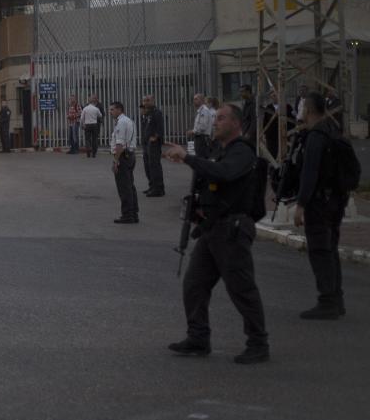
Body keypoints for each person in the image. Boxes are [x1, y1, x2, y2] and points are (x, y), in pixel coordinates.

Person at [163, 103, 270, 364]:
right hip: (213, 228)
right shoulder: (218, 152)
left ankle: (258, 343)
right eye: (216, 119)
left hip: (232, 229)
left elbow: (224, 174)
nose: (215, 122)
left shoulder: (242, 152)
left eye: (221, 118)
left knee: (241, 288)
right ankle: (198, 338)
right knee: (194, 284)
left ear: (236, 123)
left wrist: (188, 158)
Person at [294, 92, 348, 320]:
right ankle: (336, 299)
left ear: (308, 110)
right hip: (336, 200)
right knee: (330, 249)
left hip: (319, 203)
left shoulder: (316, 136)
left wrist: (300, 205)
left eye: (302, 108)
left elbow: (310, 173)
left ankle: (327, 301)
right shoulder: (332, 130)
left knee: (319, 250)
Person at [109, 102, 138, 224]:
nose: (110, 112)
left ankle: (127, 215)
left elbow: (120, 145)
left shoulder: (121, 122)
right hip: (130, 155)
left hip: (123, 157)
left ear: (119, 109)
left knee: (124, 187)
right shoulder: (129, 120)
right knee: (130, 186)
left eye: (112, 109)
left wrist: (115, 161)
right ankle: (134, 213)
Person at [140, 94, 165, 197]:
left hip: (154, 144)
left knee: (155, 166)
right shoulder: (146, 114)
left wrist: (156, 137)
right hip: (146, 144)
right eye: (144, 101)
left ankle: (158, 189)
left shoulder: (156, 113)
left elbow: (160, 127)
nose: (145, 102)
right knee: (148, 166)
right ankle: (152, 186)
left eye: (148, 100)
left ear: (153, 101)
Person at [262, 89, 295, 158]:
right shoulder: (268, 107)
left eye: (275, 95)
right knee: (272, 154)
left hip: (284, 134)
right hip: (271, 136)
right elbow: (265, 121)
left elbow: (292, 120)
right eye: (272, 96)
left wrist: (291, 132)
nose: (274, 97)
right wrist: (265, 133)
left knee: (284, 155)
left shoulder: (287, 106)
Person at [187, 93, 213, 158]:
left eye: (196, 99)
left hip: (202, 139)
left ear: (201, 100)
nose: (194, 101)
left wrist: (193, 131)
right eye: (193, 99)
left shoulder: (204, 111)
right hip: (200, 138)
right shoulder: (201, 110)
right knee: (200, 158)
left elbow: (202, 126)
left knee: (202, 159)